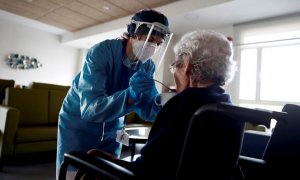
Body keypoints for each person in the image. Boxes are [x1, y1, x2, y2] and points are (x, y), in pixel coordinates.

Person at [83, 30, 239, 179]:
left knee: (91, 157)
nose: (174, 71)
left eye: (176, 65)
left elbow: (145, 172)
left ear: (187, 66)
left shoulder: (181, 104)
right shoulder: (228, 106)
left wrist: (109, 161)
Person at [56, 8, 172, 179]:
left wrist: (165, 102)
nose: (153, 46)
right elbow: (90, 110)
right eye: (150, 38)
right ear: (133, 32)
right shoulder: (102, 52)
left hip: (113, 127)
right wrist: (131, 96)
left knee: (107, 174)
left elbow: (147, 110)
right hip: (78, 126)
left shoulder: (147, 66)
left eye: (158, 43)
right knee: (74, 174)